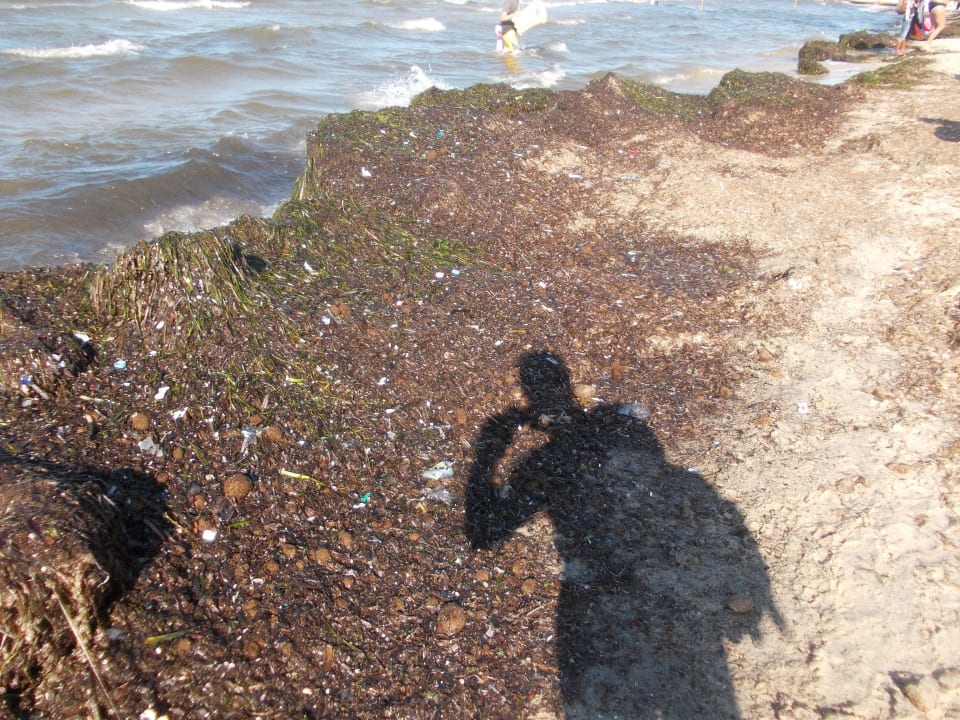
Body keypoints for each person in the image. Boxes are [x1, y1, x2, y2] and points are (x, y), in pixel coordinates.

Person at [466, 350, 782, 718]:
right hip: (654, 597)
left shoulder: (538, 461)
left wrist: (486, 457)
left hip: (593, 603)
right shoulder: (632, 438)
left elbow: (483, 536)